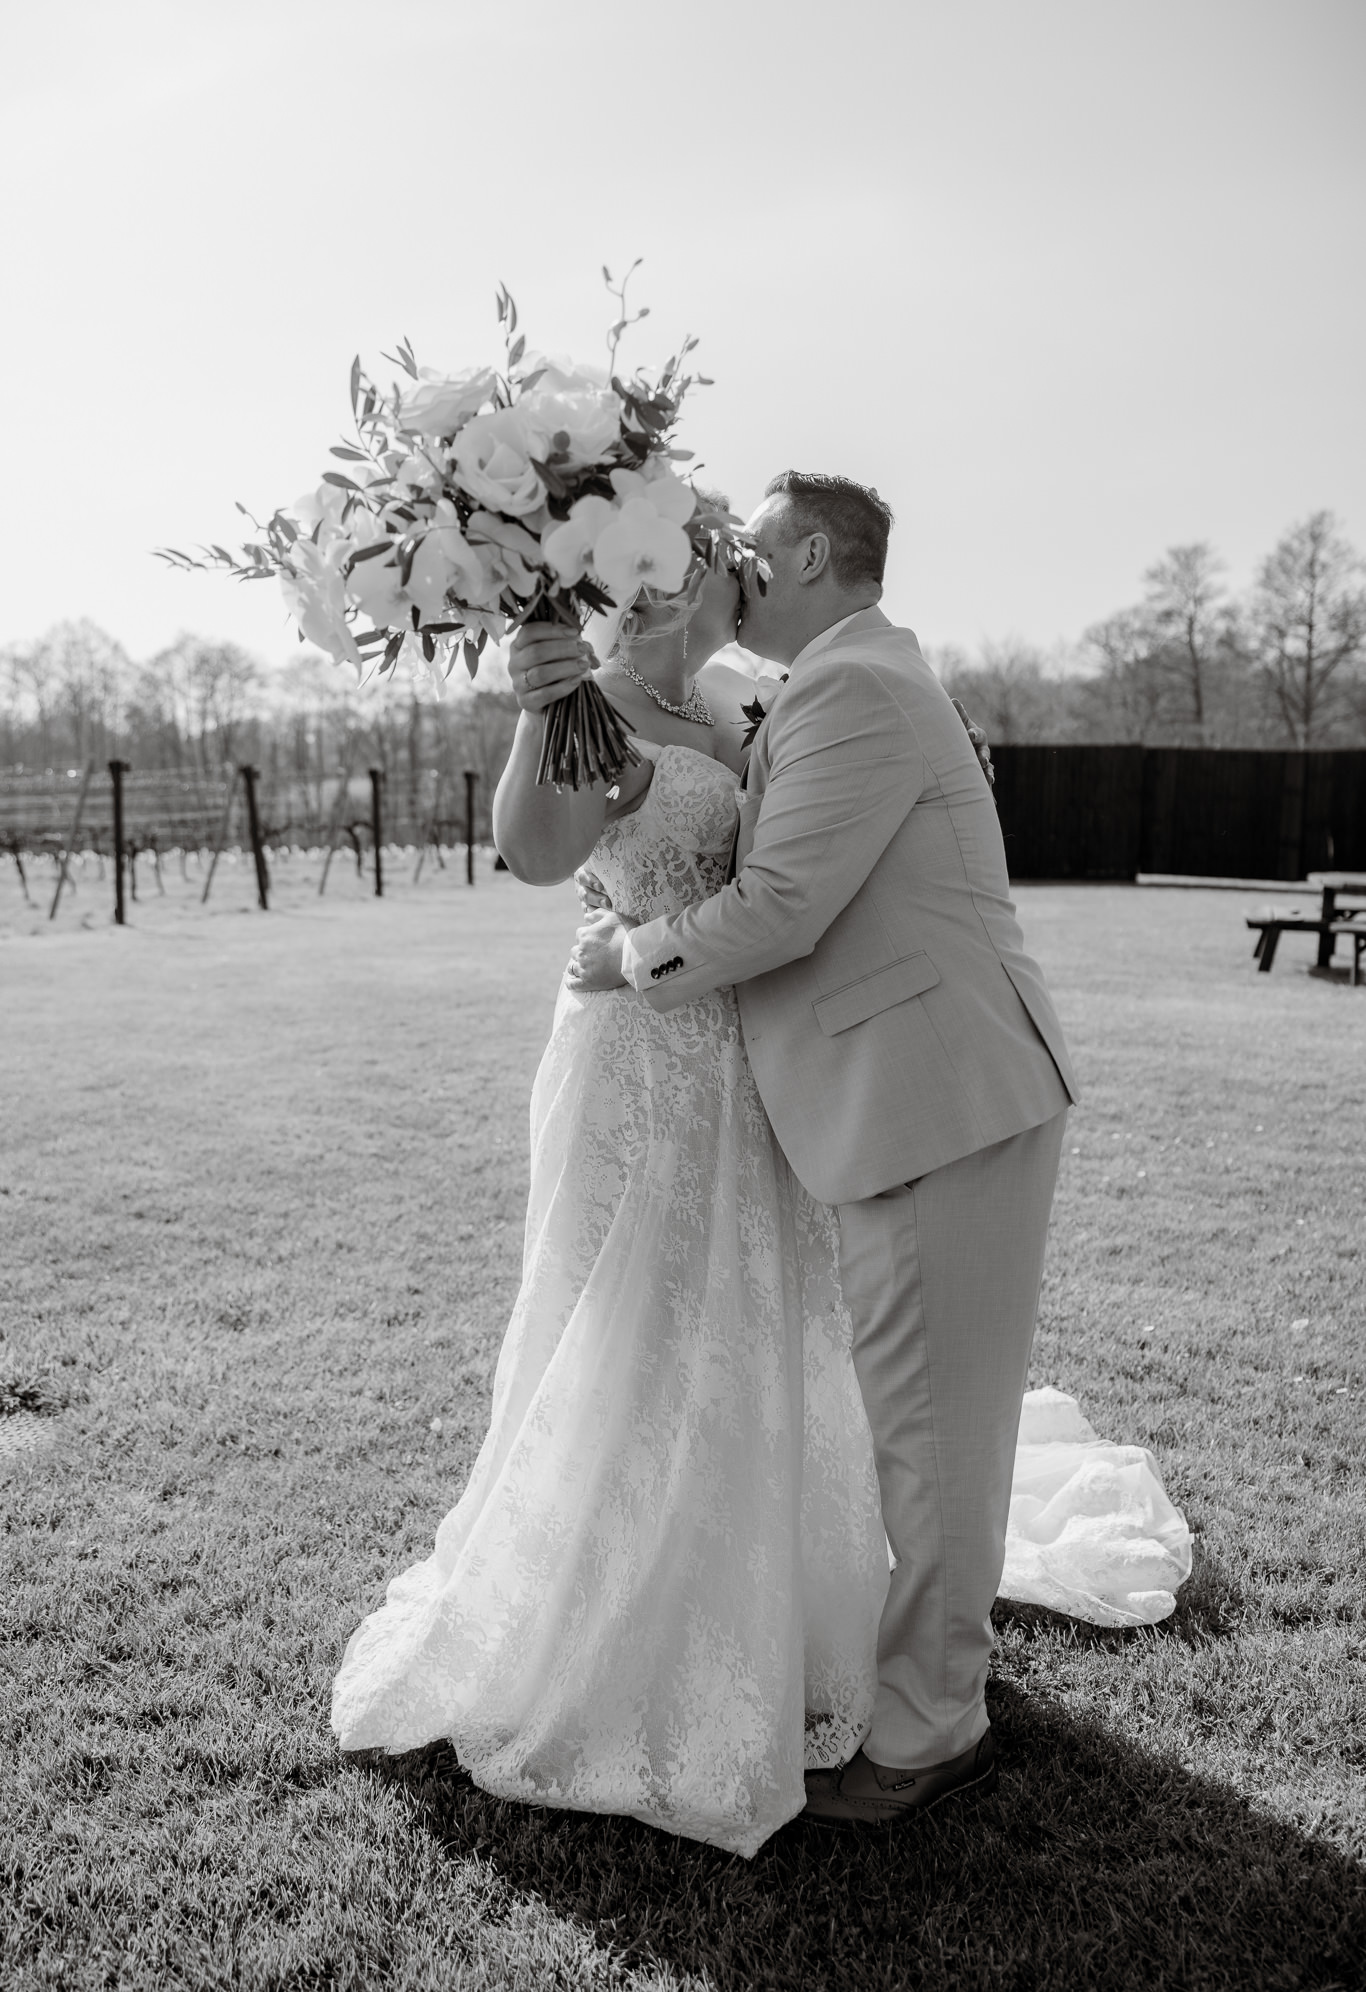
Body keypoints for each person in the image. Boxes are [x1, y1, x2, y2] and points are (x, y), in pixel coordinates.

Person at [330, 544, 890, 1859]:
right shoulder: (587, 700)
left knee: (755, 1307)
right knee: (626, 1310)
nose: (730, 578)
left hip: (753, 1049)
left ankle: (761, 1591)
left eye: (702, 559)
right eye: (704, 558)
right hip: (635, 1054)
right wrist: (537, 709)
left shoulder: (748, 701)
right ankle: (601, 1608)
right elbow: (535, 854)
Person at [568, 472, 1078, 1827]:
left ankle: (927, 1733)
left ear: (805, 555)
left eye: (748, 542)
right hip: (923, 1091)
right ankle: (932, 1690)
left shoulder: (851, 687)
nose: (729, 562)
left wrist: (631, 953)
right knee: (927, 1423)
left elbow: (784, 904)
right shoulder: (830, 682)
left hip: (932, 1096)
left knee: (933, 1438)